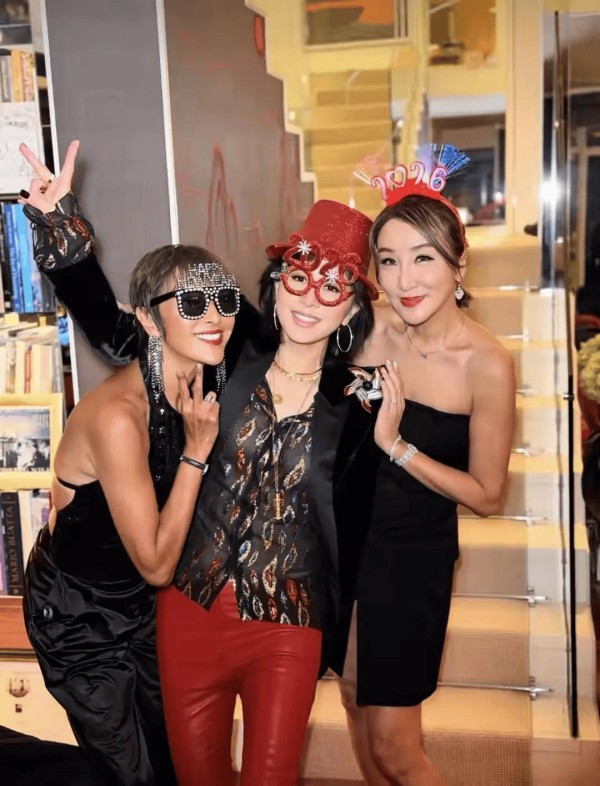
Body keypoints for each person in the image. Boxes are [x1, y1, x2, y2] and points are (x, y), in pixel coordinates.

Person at [18, 141, 380, 786]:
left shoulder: (361, 403)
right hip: (166, 602)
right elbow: (128, 332)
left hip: (280, 615)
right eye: (299, 276)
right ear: (276, 284)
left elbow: (369, 519)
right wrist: (62, 232)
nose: (310, 297)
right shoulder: (227, 359)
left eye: (333, 287)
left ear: (352, 308)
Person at [20, 145, 239, 785]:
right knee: (132, 775)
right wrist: (197, 451)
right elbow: (156, 563)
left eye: (223, 299)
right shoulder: (119, 416)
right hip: (79, 615)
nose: (214, 317)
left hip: (143, 608)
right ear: (150, 319)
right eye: (191, 304)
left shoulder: (210, 372)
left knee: (177, 760)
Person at [333, 159, 516, 786]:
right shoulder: (369, 329)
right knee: (351, 700)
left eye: (423, 258)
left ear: (458, 265)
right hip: (344, 544)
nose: (404, 279)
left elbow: (488, 495)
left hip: (411, 561)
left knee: (395, 748)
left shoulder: (485, 363)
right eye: (388, 260)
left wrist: (397, 446)